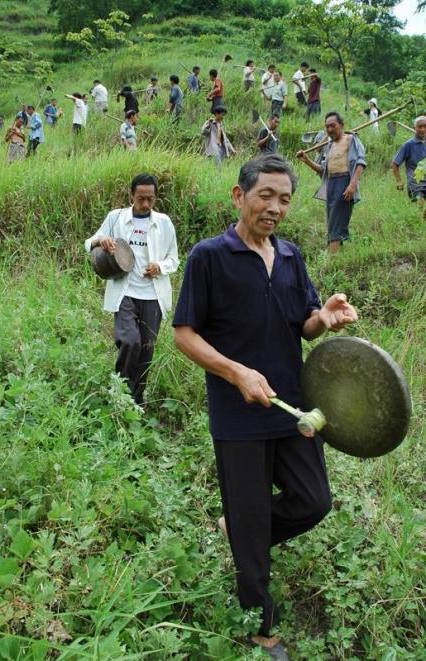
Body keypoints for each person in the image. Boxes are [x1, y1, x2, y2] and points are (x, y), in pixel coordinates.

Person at [173, 154, 358, 660]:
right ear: (239, 196)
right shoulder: (208, 257)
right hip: (238, 418)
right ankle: (261, 627)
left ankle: (243, 533)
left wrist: (325, 317)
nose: (275, 208)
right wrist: (235, 372)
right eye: (265, 196)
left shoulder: (293, 256)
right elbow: (184, 335)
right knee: (252, 522)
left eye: (284, 199)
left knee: (313, 500)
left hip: (292, 409)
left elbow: (304, 322)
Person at [85, 173, 179, 405]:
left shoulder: (164, 223)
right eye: (140, 198)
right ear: (131, 196)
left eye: (150, 199)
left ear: (155, 197)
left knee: (146, 349)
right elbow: (90, 242)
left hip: (153, 295)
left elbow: (174, 260)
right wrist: (102, 240)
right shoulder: (116, 218)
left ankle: (136, 400)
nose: (145, 204)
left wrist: (160, 266)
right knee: (129, 341)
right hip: (125, 292)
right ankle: (120, 394)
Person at [297, 111, 366, 253]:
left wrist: (352, 185)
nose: (329, 129)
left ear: (341, 125)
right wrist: (306, 160)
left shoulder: (351, 139)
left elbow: (360, 162)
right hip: (331, 184)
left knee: (336, 224)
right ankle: (335, 258)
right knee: (332, 223)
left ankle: (331, 261)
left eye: (333, 126)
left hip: (345, 182)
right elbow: (323, 171)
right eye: (327, 127)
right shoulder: (329, 146)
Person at [392, 115, 426, 210]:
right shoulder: (408, 145)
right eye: (420, 127)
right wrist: (399, 181)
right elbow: (395, 164)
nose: (423, 129)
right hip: (415, 184)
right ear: (414, 128)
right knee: (420, 206)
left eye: (425, 126)